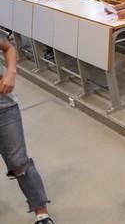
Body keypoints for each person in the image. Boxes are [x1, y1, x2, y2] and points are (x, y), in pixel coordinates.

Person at [0, 33, 56, 224]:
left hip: (3, 106)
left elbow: (8, 48)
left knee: (19, 163)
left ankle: (42, 214)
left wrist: (10, 72)